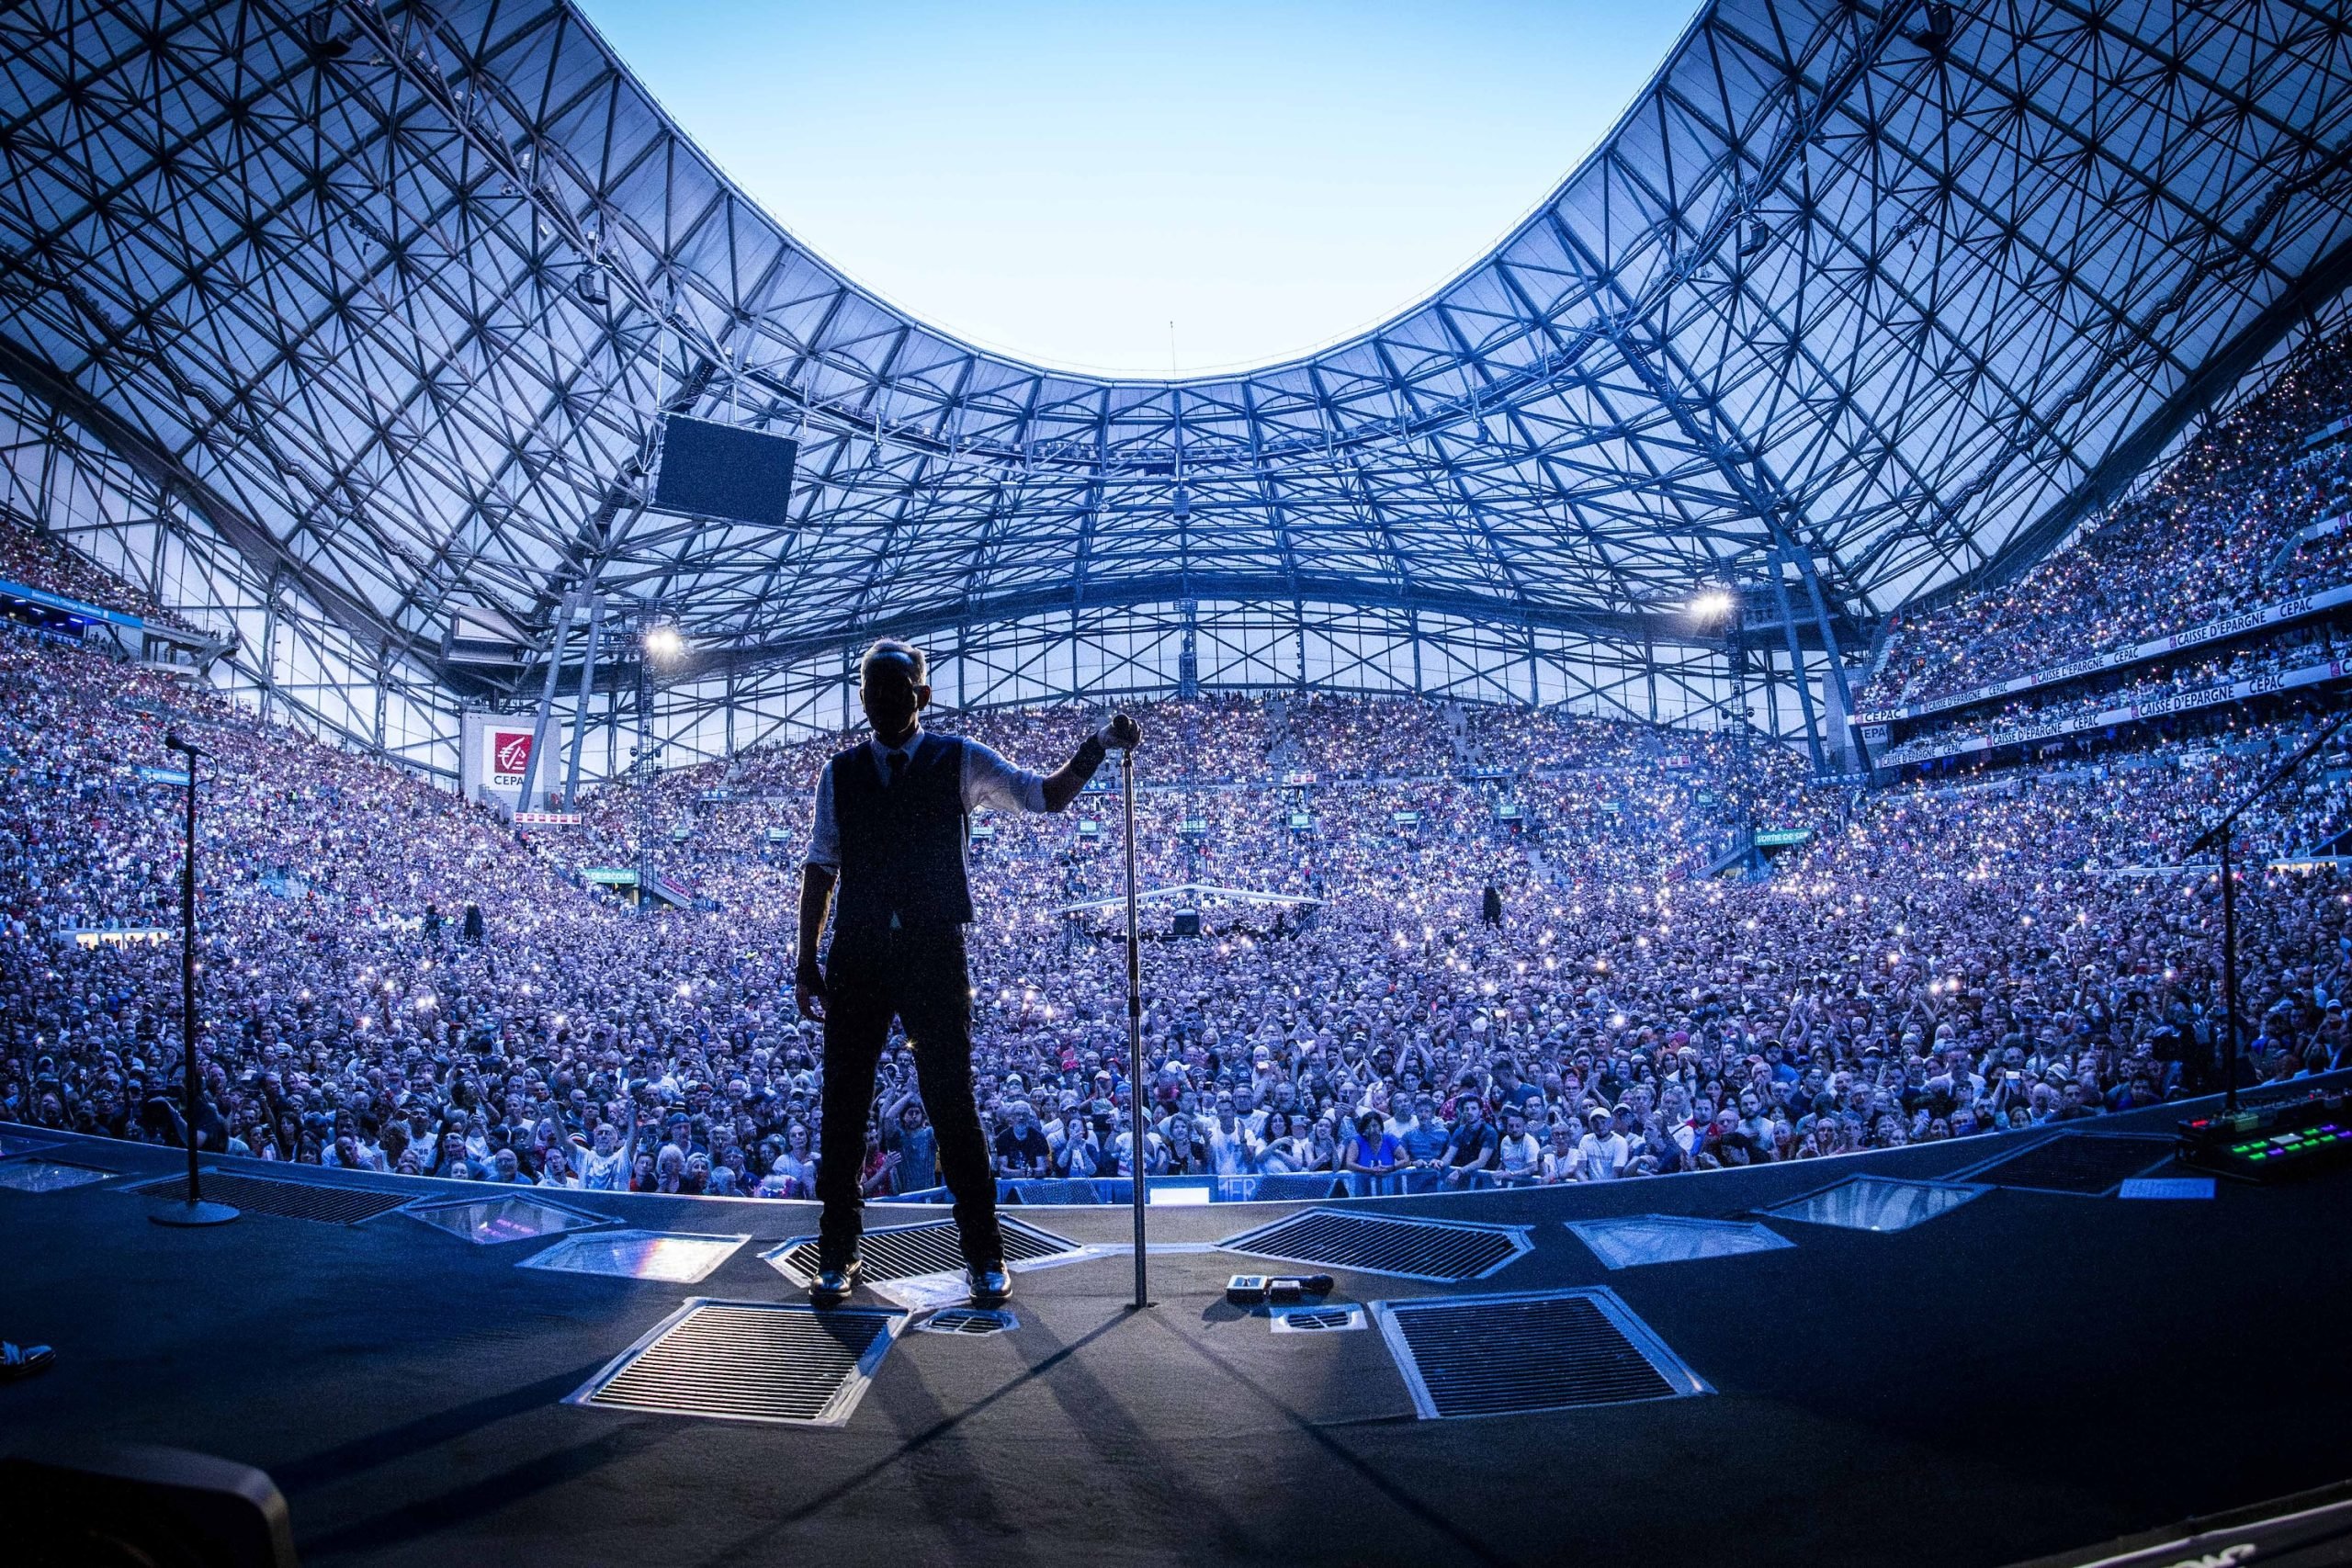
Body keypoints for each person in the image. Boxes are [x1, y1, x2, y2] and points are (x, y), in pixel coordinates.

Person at [796, 638, 1139, 1307]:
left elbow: (1046, 796)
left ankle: (984, 1254)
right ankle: (838, 1252)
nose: (883, 705)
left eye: (897, 692)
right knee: (843, 1108)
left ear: (922, 697)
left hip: (932, 950)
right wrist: (807, 960)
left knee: (953, 1104)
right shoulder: (838, 773)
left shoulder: (960, 758)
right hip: (859, 954)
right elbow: (820, 867)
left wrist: (1097, 744)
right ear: (861, 699)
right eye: (873, 693)